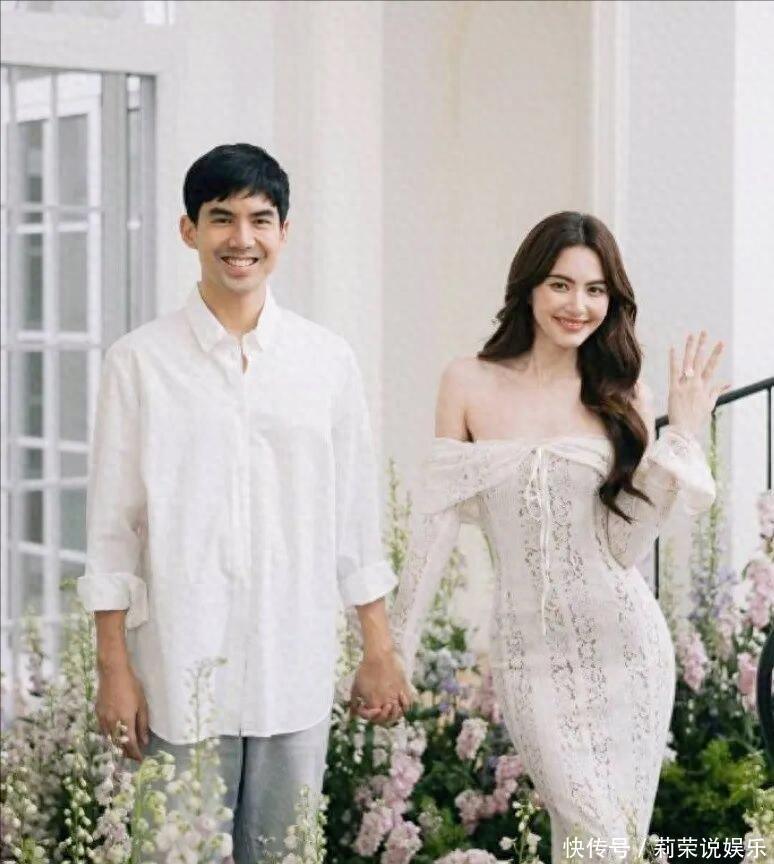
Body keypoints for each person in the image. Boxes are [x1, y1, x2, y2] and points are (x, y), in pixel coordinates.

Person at [77, 143, 412, 862]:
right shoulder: (139, 362)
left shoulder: (327, 361)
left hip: (294, 665)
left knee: (286, 854)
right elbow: (112, 530)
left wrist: (378, 649)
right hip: (179, 668)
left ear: (284, 233)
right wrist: (114, 668)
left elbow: (355, 519)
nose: (241, 238)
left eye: (260, 219)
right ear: (189, 230)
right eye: (221, 217)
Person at [386, 211, 728, 862]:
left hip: (630, 652)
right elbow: (433, 527)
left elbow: (624, 547)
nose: (579, 305)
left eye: (596, 290)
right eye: (561, 285)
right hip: (531, 660)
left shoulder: (622, 392)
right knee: (599, 838)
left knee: (603, 844)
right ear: (529, 288)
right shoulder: (466, 382)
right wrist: (394, 648)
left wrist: (682, 435)